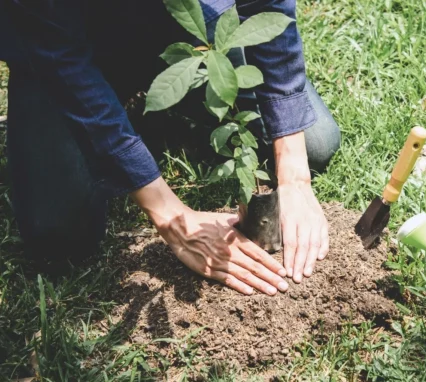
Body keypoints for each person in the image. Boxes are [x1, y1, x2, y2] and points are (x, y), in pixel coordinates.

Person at [0, 0, 341, 296]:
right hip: (60, 45)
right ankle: (125, 103)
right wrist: (172, 217)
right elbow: (62, 61)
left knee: (315, 142)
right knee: (59, 232)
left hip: (177, 18)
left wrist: (295, 175)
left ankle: (166, 97)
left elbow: (267, 6)